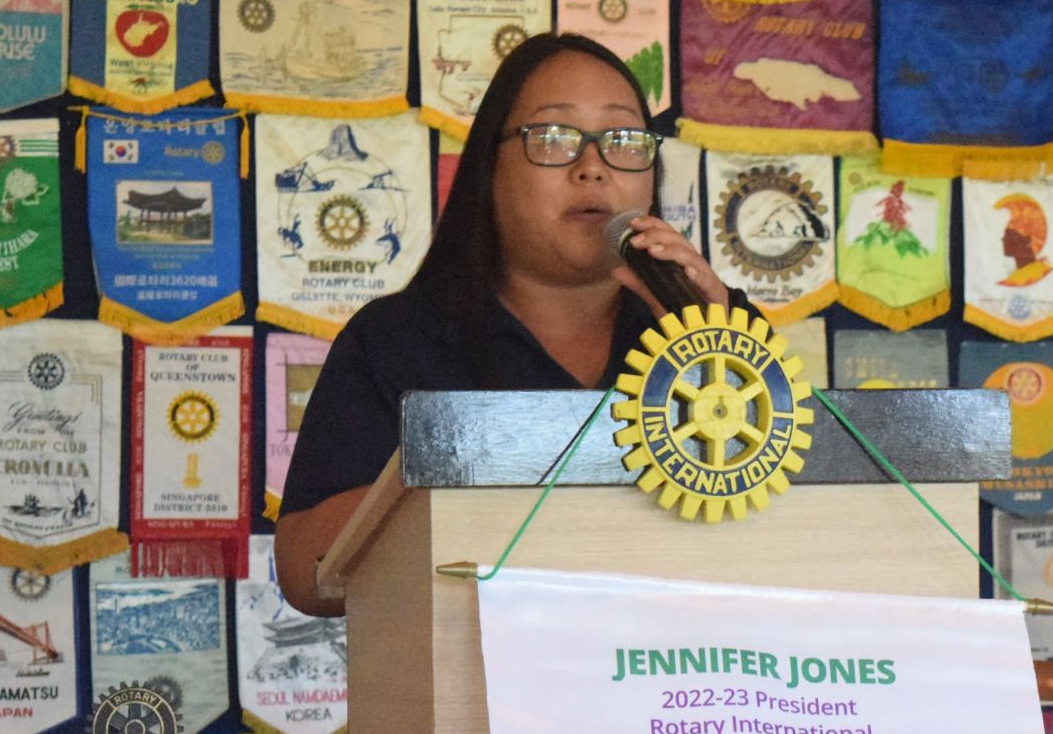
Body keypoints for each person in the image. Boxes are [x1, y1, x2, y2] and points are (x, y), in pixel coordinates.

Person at [274, 33, 739, 616]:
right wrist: (475, 484)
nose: (593, 168)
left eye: (622, 140)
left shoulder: (714, 323)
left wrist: (717, 349)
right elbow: (303, 572)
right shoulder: (398, 339)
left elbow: (791, 523)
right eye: (553, 138)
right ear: (487, 172)